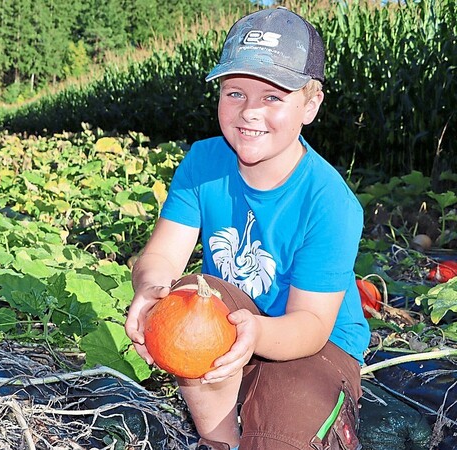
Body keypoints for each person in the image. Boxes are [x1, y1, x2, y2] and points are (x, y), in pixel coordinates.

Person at [124, 7, 369, 450]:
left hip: (315, 345)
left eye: (273, 97)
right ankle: (220, 440)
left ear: (310, 105)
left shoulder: (330, 202)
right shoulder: (203, 163)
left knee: (281, 439)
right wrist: (150, 288)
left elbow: (311, 324)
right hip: (235, 320)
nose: (250, 111)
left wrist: (254, 334)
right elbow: (162, 256)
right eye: (235, 93)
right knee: (187, 299)